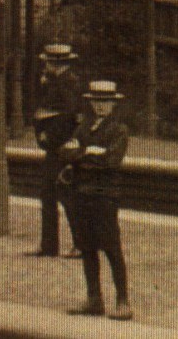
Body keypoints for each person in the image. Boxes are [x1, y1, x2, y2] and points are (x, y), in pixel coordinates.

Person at [59, 80, 132, 321]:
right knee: (86, 246)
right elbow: (65, 152)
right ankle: (94, 299)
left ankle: (123, 301)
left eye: (106, 102)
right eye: (97, 101)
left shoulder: (119, 129)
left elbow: (111, 161)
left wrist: (83, 154)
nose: (101, 106)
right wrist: (90, 152)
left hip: (104, 195)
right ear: (91, 103)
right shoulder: (84, 127)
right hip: (81, 192)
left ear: (113, 104)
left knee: (111, 247)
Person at [29, 43, 81, 258]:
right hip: (58, 148)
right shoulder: (59, 82)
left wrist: (48, 136)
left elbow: (67, 116)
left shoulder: (66, 85)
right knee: (51, 195)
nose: (45, 66)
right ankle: (51, 245)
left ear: (55, 63)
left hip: (62, 149)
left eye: (47, 62)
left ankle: (76, 245)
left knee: (64, 197)